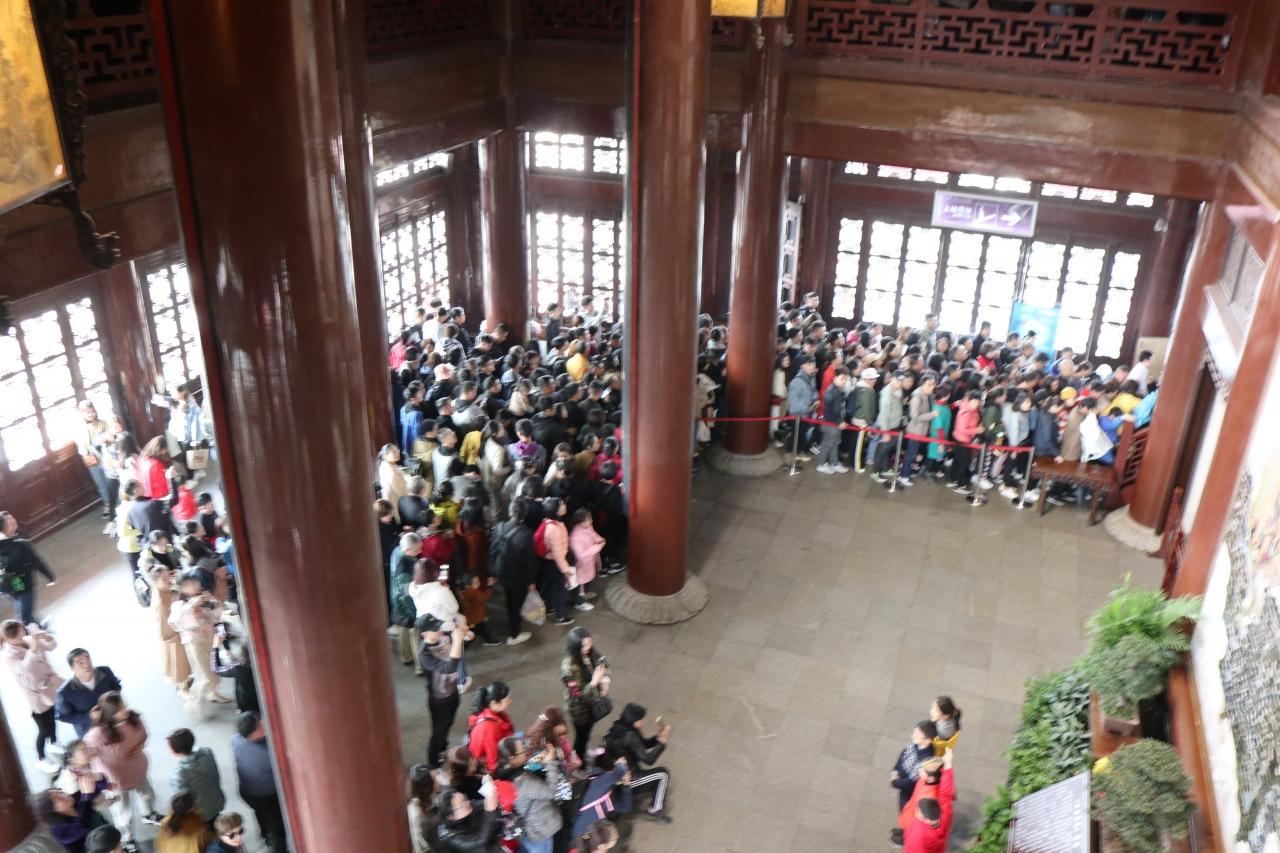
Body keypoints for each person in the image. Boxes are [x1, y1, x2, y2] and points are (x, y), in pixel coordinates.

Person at [83, 692, 163, 845]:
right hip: (115, 782)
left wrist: (141, 746)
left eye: (124, 705)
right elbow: (86, 754)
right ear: (109, 713)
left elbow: (144, 735)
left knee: (146, 794)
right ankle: (127, 838)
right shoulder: (97, 734)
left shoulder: (134, 718)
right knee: (122, 812)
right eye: (119, 709)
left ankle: (148, 814)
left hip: (138, 770)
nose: (125, 710)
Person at [1, 619, 64, 772]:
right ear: (9, 638)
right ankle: (41, 758)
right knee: (44, 729)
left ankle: (53, 743)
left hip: (49, 687)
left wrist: (47, 637)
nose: (23, 634)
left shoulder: (29, 639)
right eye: (19, 633)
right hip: (34, 695)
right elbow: (23, 670)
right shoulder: (8, 655)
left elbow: (52, 646)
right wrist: (33, 650)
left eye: (23, 630)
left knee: (52, 717)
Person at [599, 703, 671, 822]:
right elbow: (649, 760)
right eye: (642, 719)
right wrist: (662, 742)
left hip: (615, 776)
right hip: (628, 780)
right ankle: (655, 810)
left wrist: (657, 737)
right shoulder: (630, 735)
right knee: (663, 774)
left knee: (655, 775)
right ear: (636, 722)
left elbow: (642, 745)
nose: (644, 721)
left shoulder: (621, 727)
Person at [168, 571, 230, 707]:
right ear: (183, 587)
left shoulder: (203, 595)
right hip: (195, 641)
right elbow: (176, 622)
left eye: (196, 582)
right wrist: (191, 606)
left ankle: (213, 693)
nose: (196, 585)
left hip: (208, 636)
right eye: (192, 583)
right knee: (204, 672)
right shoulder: (178, 604)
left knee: (213, 667)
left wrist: (213, 605)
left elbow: (215, 614)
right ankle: (194, 702)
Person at [231, 712, 287, 853]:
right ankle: (277, 848)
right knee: (276, 827)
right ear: (255, 733)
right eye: (260, 724)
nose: (263, 722)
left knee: (261, 813)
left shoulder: (235, 740)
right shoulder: (269, 750)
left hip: (247, 792)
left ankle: (265, 836)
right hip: (267, 796)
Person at [418, 613, 467, 768]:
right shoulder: (424, 654)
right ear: (424, 634)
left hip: (452, 692)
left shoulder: (442, 636)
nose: (439, 630)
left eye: (438, 626)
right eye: (434, 629)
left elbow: (466, 637)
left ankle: (442, 749)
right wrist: (458, 641)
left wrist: (463, 632)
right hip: (439, 699)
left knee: (447, 725)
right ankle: (434, 764)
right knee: (439, 731)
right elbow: (449, 667)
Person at [492, 501, 536, 646]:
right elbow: (529, 562)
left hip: (501, 572)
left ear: (510, 512)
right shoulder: (526, 534)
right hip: (518, 576)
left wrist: (492, 572)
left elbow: (492, 550)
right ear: (524, 515)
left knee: (510, 599)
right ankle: (514, 634)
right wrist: (531, 582)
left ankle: (513, 623)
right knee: (515, 603)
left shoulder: (498, 528)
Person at [0, 512, 57, 625]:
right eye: (9, 520)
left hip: (8, 583)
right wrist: (50, 576)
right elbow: (37, 562)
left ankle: (37, 624)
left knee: (22, 605)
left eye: (12, 518)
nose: (13, 521)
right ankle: (31, 630)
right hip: (24, 582)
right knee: (25, 614)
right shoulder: (21, 544)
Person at [561, 627, 609, 760]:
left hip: (592, 703)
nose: (589, 647)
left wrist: (605, 681)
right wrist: (594, 682)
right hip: (579, 710)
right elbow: (576, 695)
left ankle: (582, 753)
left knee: (587, 731)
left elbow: (604, 662)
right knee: (581, 736)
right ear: (575, 646)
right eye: (584, 645)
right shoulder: (568, 668)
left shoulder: (590, 652)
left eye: (590, 643)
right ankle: (579, 759)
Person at [55, 649, 122, 738]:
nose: (87, 664)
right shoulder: (64, 692)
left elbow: (117, 687)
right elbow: (63, 716)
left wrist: (116, 705)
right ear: (72, 668)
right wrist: (89, 716)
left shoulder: (105, 671)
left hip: (114, 721)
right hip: (91, 732)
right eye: (80, 663)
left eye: (88, 659)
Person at [148, 565, 192, 697]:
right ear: (155, 582)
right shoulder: (160, 602)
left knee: (182, 663)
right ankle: (182, 688)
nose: (169, 580)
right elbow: (164, 625)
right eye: (164, 579)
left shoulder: (163, 591)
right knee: (178, 665)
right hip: (172, 636)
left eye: (168, 576)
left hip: (176, 631)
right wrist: (179, 631)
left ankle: (184, 683)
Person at [167, 729, 225, 829]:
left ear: (175, 751)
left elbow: (181, 800)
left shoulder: (179, 774)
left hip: (199, 814)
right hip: (217, 802)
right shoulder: (208, 753)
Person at [902, 748, 956, 853]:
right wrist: (948, 764)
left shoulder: (918, 834)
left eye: (918, 811)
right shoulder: (944, 812)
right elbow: (946, 793)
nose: (917, 811)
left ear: (927, 820)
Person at [76, 401, 118, 532]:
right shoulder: (79, 428)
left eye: (92, 411)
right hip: (91, 459)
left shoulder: (103, 423)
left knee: (111, 481)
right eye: (87, 412)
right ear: (81, 414)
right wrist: (85, 454)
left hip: (106, 457)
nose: (90, 414)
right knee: (100, 484)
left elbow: (111, 438)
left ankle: (116, 504)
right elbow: (81, 445)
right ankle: (107, 504)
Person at [435, 779, 502, 853]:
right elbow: (479, 840)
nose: (468, 803)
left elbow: (483, 803)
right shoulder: (452, 837)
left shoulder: (466, 808)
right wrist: (489, 812)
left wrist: (492, 796)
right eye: (462, 804)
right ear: (451, 816)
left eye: (465, 799)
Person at [33, 786, 106, 853]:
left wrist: (92, 779)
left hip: (108, 836)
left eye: (60, 792)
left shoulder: (76, 800)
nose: (63, 795)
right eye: (57, 798)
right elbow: (84, 827)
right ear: (52, 810)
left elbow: (98, 786)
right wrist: (87, 795)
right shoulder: (58, 831)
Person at [890, 721, 939, 811]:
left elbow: (911, 782)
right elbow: (902, 756)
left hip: (909, 791)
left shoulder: (926, 761)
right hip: (902, 778)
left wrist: (894, 782)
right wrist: (895, 770)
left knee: (905, 810)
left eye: (916, 735)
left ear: (927, 740)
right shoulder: (914, 745)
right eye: (914, 732)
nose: (912, 735)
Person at [467, 682, 515, 772]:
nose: (510, 701)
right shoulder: (489, 728)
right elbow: (492, 764)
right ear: (495, 703)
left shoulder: (495, 714)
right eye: (507, 699)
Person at [406, 764, 439, 853]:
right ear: (427, 786)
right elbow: (422, 848)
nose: (438, 782)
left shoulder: (432, 800)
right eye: (434, 780)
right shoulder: (416, 814)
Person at [379, 444, 409, 520]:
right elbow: (402, 492)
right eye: (394, 452)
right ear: (385, 456)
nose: (397, 453)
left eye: (397, 450)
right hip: (395, 501)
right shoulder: (391, 472)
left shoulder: (386, 463)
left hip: (394, 499)